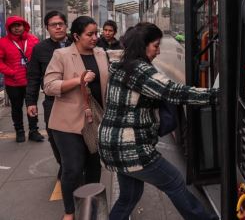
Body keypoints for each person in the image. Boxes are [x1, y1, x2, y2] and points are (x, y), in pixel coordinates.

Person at [98, 22, 218, 220]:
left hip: (112, 143)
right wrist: (215, 95)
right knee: (174, 181)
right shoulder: (140, 70)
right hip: (130, 146)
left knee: (129, 196)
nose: (159, 51)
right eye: (155, 46)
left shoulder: (122, 65)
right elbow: (173, 91)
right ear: (142, 46)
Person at [44, 16, 109, 220]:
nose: (95, 38)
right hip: (67, 123)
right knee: (72, 168)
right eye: (89, 34)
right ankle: (69, 211)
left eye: (96, 33)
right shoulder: (61, 54)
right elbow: (49, 86)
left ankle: (89, 208)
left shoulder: (101, 53)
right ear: (76, 35)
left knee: (93, 166)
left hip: (96, 120)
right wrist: (78, 80)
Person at [26, 11, 72, 179]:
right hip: (53, 101)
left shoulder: (77, 43)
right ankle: (64, 165)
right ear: (47, 28)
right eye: (53, 25)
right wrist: (30, 102)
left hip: (77, 99)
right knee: (54, 137)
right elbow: (33, 77)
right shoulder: (40, 49)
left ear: (66, 25)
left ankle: (76, 166)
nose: (58, 27)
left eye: (61, 23)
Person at [0, 15, 42, 142]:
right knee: (16, 108)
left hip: (31, 82)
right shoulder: (3, 42)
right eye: (13, 26)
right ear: (9, 28)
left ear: (24, 26)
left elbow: (39, 58)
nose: (17, 28)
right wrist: (11, 72)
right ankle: (19, 131)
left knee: (32, 105)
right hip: (13, 82)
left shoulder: (33, 40)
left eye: (19, 25)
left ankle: (34, 131)